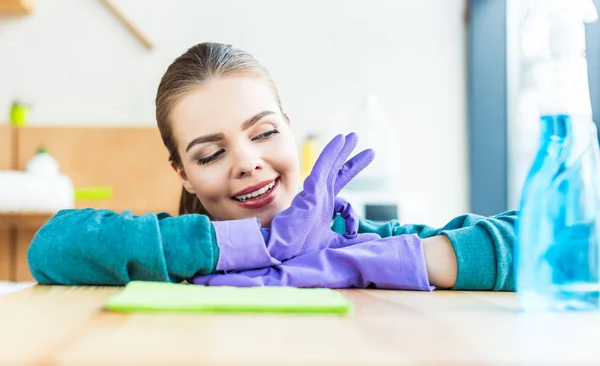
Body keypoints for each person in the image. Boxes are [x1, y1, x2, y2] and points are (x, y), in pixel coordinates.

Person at [27, 43, 517, 290]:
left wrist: (367, 259)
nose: (247, 162)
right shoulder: (165, 256)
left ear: (288, 128)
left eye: (263, 133)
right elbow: (53, 245)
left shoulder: (361, 239)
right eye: (210, 154)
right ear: (183, 174)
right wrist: (258, 245)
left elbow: (555, 242)